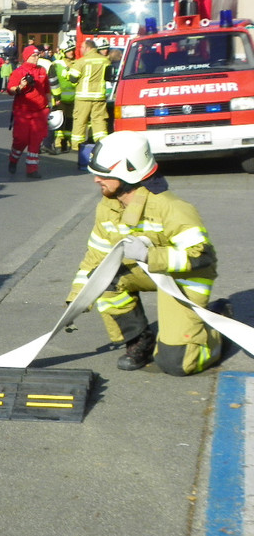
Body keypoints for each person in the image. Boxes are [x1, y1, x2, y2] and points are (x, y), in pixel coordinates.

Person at [68, 131, 225, 375]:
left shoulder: (171, 207)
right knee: (103, 279)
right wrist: (77, 300)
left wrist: (149, 256)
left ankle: (215, 329)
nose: (96, 180)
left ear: (128, 173)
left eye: (103, 174)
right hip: (152, 271)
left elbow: (202, 257)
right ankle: (139, 340)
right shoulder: (108, 206)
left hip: (185, 277)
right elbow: (96, 255)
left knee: (176, 363)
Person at [5, 45, 51, 179]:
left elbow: (47, 90)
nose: (37, 58)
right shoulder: (19, 72)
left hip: (40, 111)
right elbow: (10, 90)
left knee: (36, 141)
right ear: (27, 57)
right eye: (34, 56)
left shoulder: (42, 70)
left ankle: (32, 169)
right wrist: (21, 86)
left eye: (37, 55)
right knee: (21, 139)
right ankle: (13, 159)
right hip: (23, 111)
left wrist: (50, 105)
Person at [67, 37, 112, 154]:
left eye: (82, 47)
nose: (80, 49)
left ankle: (76, 147)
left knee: (80, 121)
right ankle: (102, 145)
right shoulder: (105, 61)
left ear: (87, 48)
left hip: (83, 97)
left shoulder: (81, 61)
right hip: (99, 97)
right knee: (99, 120)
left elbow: (73, 78)